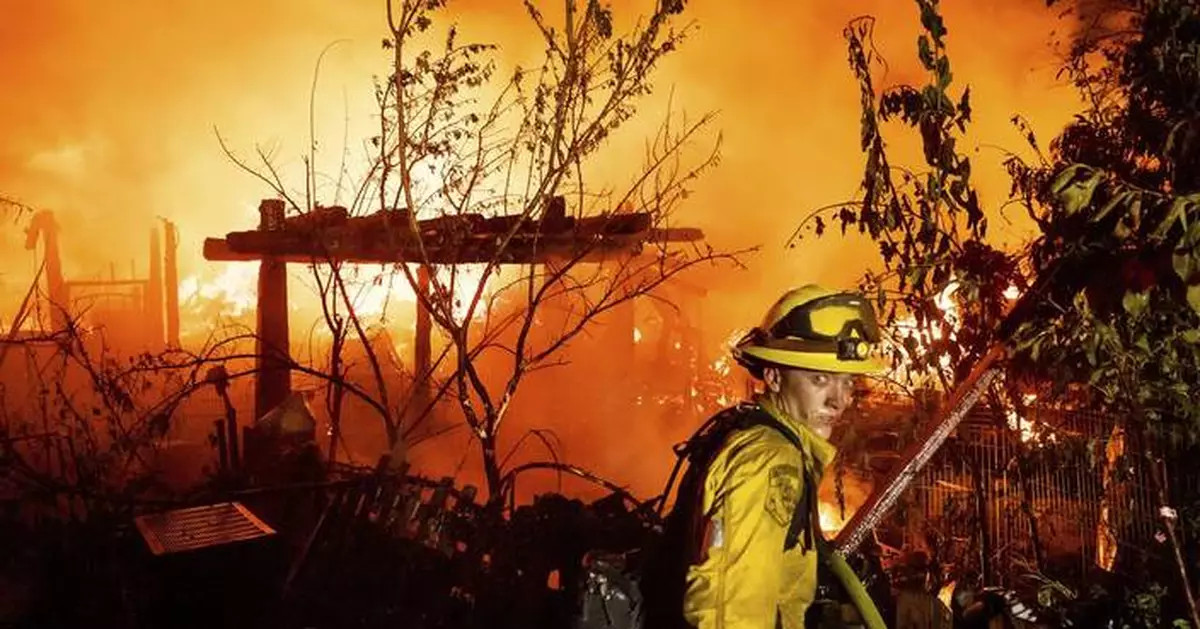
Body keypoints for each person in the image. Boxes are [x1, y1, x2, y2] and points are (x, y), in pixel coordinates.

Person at [676, 284, 889, 629]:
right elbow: (730, 610)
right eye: (820, 379)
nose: (839, 401)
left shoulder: (766, 441)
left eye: (847, 382)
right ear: (773, 377)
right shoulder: (770, 462)